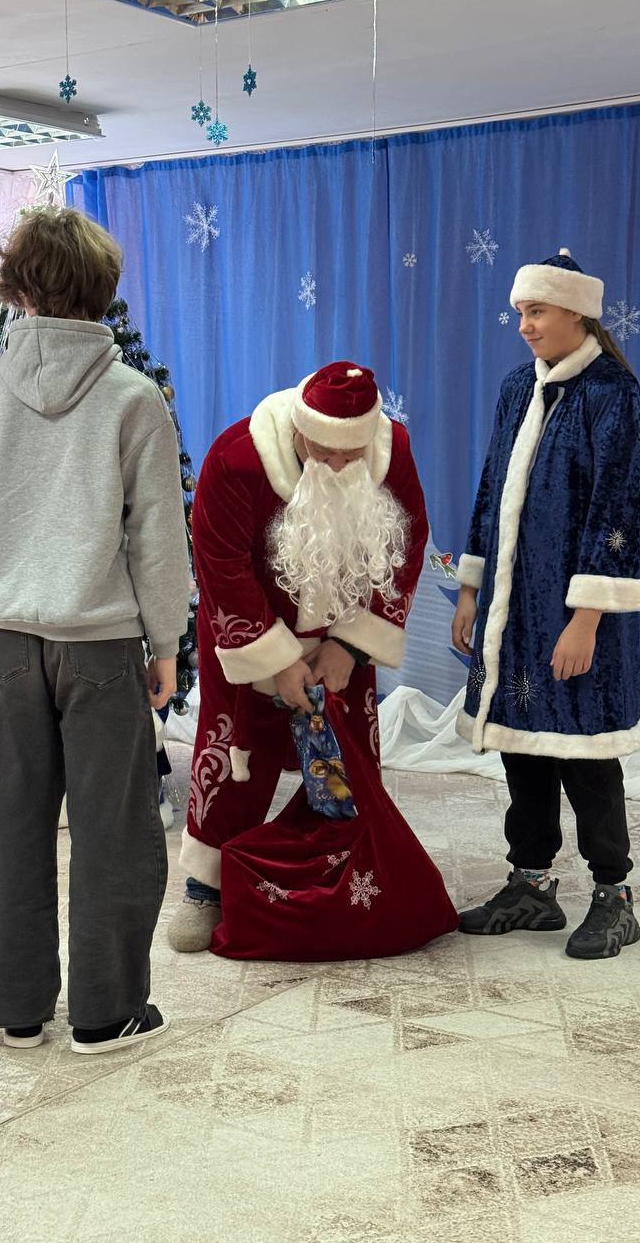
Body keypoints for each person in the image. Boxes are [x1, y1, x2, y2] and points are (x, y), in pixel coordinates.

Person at [0, 207, 189, 1052]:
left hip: (10, 645)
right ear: (103, 289)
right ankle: (104, 1011)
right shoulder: (132, 396)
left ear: (16, 288)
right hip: (99, 642)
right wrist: (166, 642)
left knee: (14, 826)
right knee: (113, 832)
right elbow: (157, 535)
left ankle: (18, 1010)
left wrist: (5, 591)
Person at [168, 360, 428, 953]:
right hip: (252, 629)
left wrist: (351, 645)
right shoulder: (237, 457)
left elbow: (406, 543)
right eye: (323, 452)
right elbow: (220, 564)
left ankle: (345, 869)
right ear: (298, 431)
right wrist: (277, 660)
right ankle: (206, 884)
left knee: (347, 755)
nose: (336, 466)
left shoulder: (392, 451)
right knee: (233, 752)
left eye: (350, 455)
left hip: (342, 630)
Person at [451, 249, 640, 960]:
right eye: (519, 313)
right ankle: (532, 884)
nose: (525, 325)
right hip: (515, 608)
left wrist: (587, 617)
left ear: (576, 312)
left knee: (585, 753)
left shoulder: (612, 392)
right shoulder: (517, 387)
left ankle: (614, 895)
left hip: (574, 612)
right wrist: (471, 589)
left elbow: (614, 510)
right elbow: (491, 485)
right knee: (523, 745)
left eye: (536, 311)